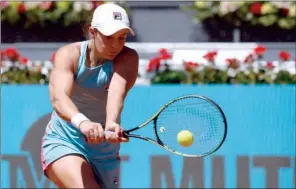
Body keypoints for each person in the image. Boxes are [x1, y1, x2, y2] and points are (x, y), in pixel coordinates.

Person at [40, 2, 139, 188]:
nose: (116, 45)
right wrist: (82, 123)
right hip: (64, 141)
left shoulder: (128, 58)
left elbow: (116, 93)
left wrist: (111, 124)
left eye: (122, 38)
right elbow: (59, 98)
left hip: (104, 153)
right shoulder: (69, 55)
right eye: (109, 37)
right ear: (93, 32)